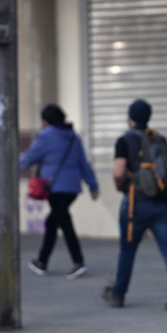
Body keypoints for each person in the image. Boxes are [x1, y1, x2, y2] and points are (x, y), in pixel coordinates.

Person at [102, 99, 167, 310]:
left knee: (127, 250)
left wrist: (121, 187)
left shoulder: (125, 140)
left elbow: (118, 172)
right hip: (164, 203)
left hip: (136, 204)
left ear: (130, 117)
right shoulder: (159, 138)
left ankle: (118, 294)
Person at [20, 104, 99, 280]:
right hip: (72, 189)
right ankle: (41, 262)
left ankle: (78, 262)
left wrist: (9, 165)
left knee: (65, 222)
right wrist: (93, 186)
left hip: (54, 187)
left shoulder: (46, 135)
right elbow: (84, 164)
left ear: (46, 121)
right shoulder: (74, 137)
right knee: (52, 222)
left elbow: (30, 156)